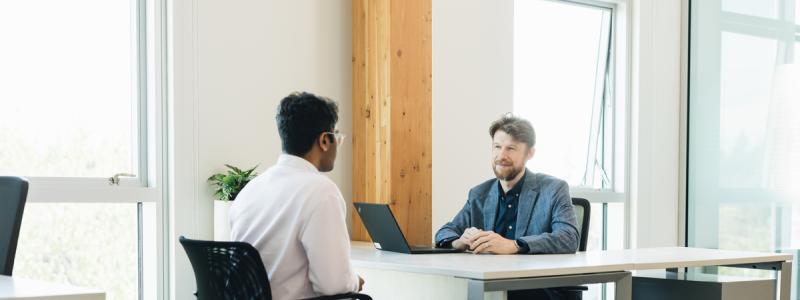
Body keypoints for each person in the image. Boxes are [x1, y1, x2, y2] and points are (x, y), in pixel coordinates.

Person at [229, 92, 364, 300]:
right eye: (337, 136)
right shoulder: (322, 192)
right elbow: (333, 285)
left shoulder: (250, 190)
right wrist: (354, 280)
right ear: (325, 141)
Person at [435, 114, 580, 300]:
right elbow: (444, 232)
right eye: (497, 147)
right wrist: (460, 241)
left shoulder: (553, 189)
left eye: (511, 148)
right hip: (491, 288)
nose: (501, 156)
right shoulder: (479, 193)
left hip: (538, 289)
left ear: (530, 153)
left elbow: (569, 238)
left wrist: (514, 246)